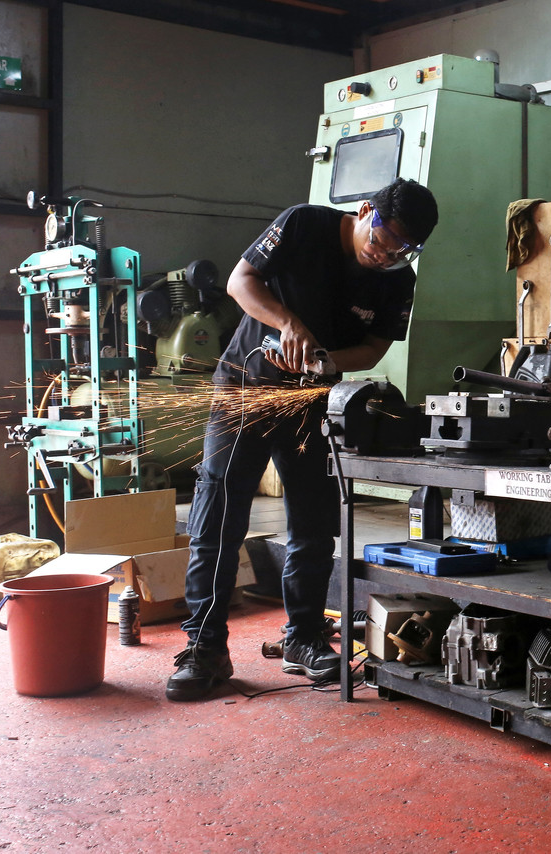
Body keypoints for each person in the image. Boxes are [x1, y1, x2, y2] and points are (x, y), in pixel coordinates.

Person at [166, 178, 439, 702]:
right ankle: (205, 647)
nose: (383, 256)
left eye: (400, 251)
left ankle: (305, 638)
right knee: (218, 519)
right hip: (245, 389)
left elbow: (375, 345)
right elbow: (240, 282)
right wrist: (288, 323)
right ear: (364, 211)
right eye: (380, 241)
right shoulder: (302, 224)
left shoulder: (395, 278)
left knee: (313, 523)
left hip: (313, 400)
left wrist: (329, 361)